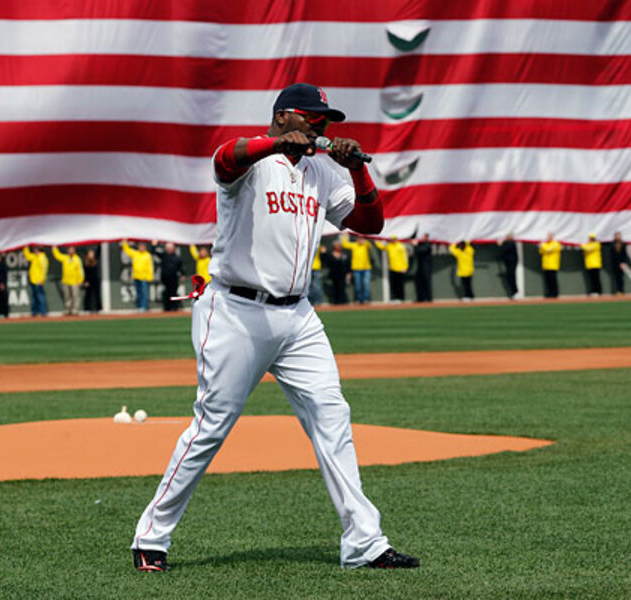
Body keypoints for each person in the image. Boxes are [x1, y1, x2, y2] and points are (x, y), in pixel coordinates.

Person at [131, 82, 418, 572]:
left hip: (298, 316)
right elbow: (225, 158)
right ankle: (151, 537)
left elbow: (370, 224)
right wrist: (276, 145)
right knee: (211, 427)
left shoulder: (323, 171)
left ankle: (365, 544)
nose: (321, 127)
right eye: (312, 118)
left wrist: (357, 170)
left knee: (333, 417)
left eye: (325, 121)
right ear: (284, 117)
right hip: (236, 311)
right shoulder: (252, 162)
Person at [122, 240, 154, 312]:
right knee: (138, 293)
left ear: (145, 247)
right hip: (136, 277)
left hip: (144, 277)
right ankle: (139, 306)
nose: (141, 248)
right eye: (140, 247)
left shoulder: (147, 255)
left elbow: (150, 267)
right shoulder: (135, 253)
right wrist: (124, 243)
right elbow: (127, 250)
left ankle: (144, 307)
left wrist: (150, 277)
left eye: (142, 247)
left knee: (144, 293)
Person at [53, 246, 85, 315]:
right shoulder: (65, 257)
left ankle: (75, 310)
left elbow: (80, 270)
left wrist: (80, 280)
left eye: (72, 250)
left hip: (75, 281)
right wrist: (54, 248)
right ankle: (68, 310)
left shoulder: (77, 259)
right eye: (69, 250)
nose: (70, 251)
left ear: (74, 251)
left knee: (75, 296)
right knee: (67, 296)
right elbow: (57, 255)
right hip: (66, 280)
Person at [375, 236, 409, 302]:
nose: (393, 240)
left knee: (400, 285)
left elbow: (405, 257)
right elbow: (382, 247)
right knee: (393, 284)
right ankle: (394, 298)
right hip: (392, 268)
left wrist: (405, 267)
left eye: (394, 239)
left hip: (400, 268)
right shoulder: (389, 246)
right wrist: (377, 242)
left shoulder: (400, 246)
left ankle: (401, 298)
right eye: (392, 239)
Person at [341, 234, 373, 303]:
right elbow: (344, 244)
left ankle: (366, 299)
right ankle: (359, 299)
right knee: (358, 285)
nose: (360, 240)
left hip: (366, 268)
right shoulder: (354, 245)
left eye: (361, 239)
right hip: (356, 269)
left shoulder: (366, 245)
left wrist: (365, 241)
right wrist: (345, 236)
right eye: (359, 239)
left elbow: (369, 245)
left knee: (366, 284)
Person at [157, 243, 184, 311]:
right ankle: (167, 307)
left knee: (174, 292)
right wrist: (154, 245)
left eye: (171, 248)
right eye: (168, 248)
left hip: (174, 278)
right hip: (165, 278)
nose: (169, 250)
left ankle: (175, 307)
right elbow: (155, 252)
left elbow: (180, 267)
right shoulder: (164, 256)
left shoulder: (177, 257)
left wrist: (182, 275)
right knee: (166, 293)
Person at [23, 246, 49, 316]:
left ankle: (43, 312)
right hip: (33, 280)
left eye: (35, 249)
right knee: (34, 297)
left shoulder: (42, 257)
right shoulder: (35, 256)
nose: (34, 250)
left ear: (38, 250)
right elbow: (27, 256)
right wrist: (25, 247)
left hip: (38, 281)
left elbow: (44, 270)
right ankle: (34, 312)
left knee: (40, 297)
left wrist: (41, 279)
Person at [539, 232, 562, 298]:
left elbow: (548, 249)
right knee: (547, 281)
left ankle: (555, 294)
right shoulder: (546, 244)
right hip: (546, 265)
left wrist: (542, 245)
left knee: (553, 280)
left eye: (550, 236)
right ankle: (549, 293)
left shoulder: (556, 244)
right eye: (548, 236)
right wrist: (543, 246)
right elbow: (541, 251)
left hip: (553, 265)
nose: (548, 238)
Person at [413, 234, 433, 302]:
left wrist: (415, 245)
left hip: (426, 267)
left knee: (427, 283)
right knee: (418, 282)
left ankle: (428, 298)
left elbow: (420, 251)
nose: (422, 237)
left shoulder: (428, 245)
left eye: (424, 236)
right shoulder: (421, 244)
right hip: (420, 267)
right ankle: (420, 298)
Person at [498, 233, 519, 299]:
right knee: (509, 277)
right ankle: (513, 292)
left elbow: (505, 249)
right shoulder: (507, 243)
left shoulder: (511, 243)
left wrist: (500, 244)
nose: (506, 237)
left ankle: (515, 292)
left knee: (511, 276)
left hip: (512, 263)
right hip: (507, 263)